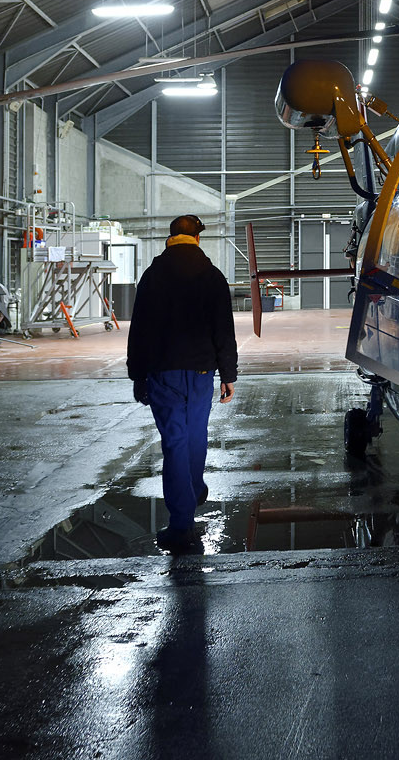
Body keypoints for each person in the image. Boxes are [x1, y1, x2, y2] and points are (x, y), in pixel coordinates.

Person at [127, 214, 239, 554]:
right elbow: (224, 328)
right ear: (197, 240)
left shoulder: (153, 276)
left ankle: (181, 526)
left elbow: (140, 328)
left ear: (170, 238)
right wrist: (228, 374)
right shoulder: (212, 276)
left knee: (175, 442)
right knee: (195, 434)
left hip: (163, 372)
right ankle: (192, 488)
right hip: (202, 372)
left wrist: (137, 373)